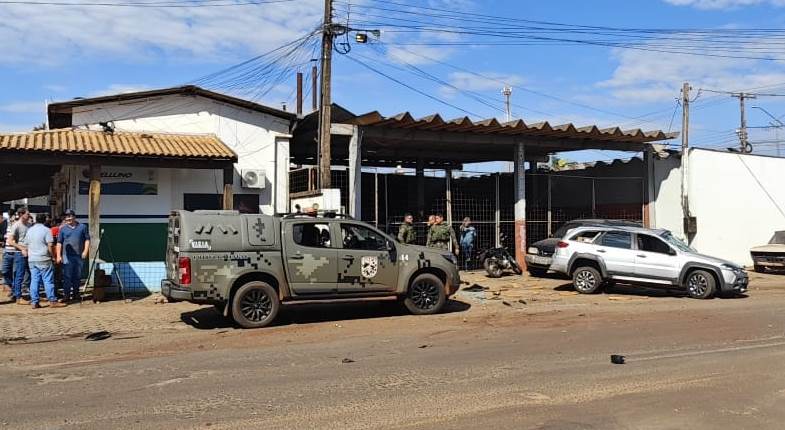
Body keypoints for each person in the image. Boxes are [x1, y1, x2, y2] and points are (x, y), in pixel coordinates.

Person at [23, 213, 66, 309]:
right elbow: (50, 245)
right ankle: (52, 301)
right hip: (44, 258)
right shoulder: (46, 230)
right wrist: (53, 256)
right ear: (45, 220)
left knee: (34, 280)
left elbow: (26, 244)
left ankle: (34, 302)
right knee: (48, 280)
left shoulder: (30, 230)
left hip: (32, 259)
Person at [56, 209, 90, 302]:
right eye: (66, 217)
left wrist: (85, 251)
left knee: (77, 276)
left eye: (70, 216)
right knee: (67, 276)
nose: (68, 218)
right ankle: (66, 295)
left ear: (74, 216)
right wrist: (58, 255)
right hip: (67, 256)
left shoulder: (83, 227)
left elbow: (87, 239)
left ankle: (76, 294)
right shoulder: (62, 229)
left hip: (79, 255)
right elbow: (59, 243)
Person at [6, 208, 31, 304]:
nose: (28, 216)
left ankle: (31, 294)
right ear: (21, 214)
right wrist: (21, 248)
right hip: (20, 254)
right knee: (19, 275)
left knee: (30, 274)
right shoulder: (16, 225)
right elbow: (10, 241)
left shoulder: (29, 225)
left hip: (30, 253)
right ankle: (18, 297)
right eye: (27, 214)